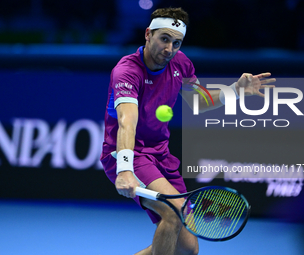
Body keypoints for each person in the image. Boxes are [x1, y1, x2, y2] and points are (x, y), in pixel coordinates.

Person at [100, 7, 275, 255]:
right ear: (148, 34)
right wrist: (125, 169)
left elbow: (199, 101)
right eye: (164, 39)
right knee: (172, 211)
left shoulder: (180, 63)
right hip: (129, 154)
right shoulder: (127, 71)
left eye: (177, 43)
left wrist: (235, 90)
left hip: (161, 155)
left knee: (187, 249)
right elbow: (127, 120)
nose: (169, 49)